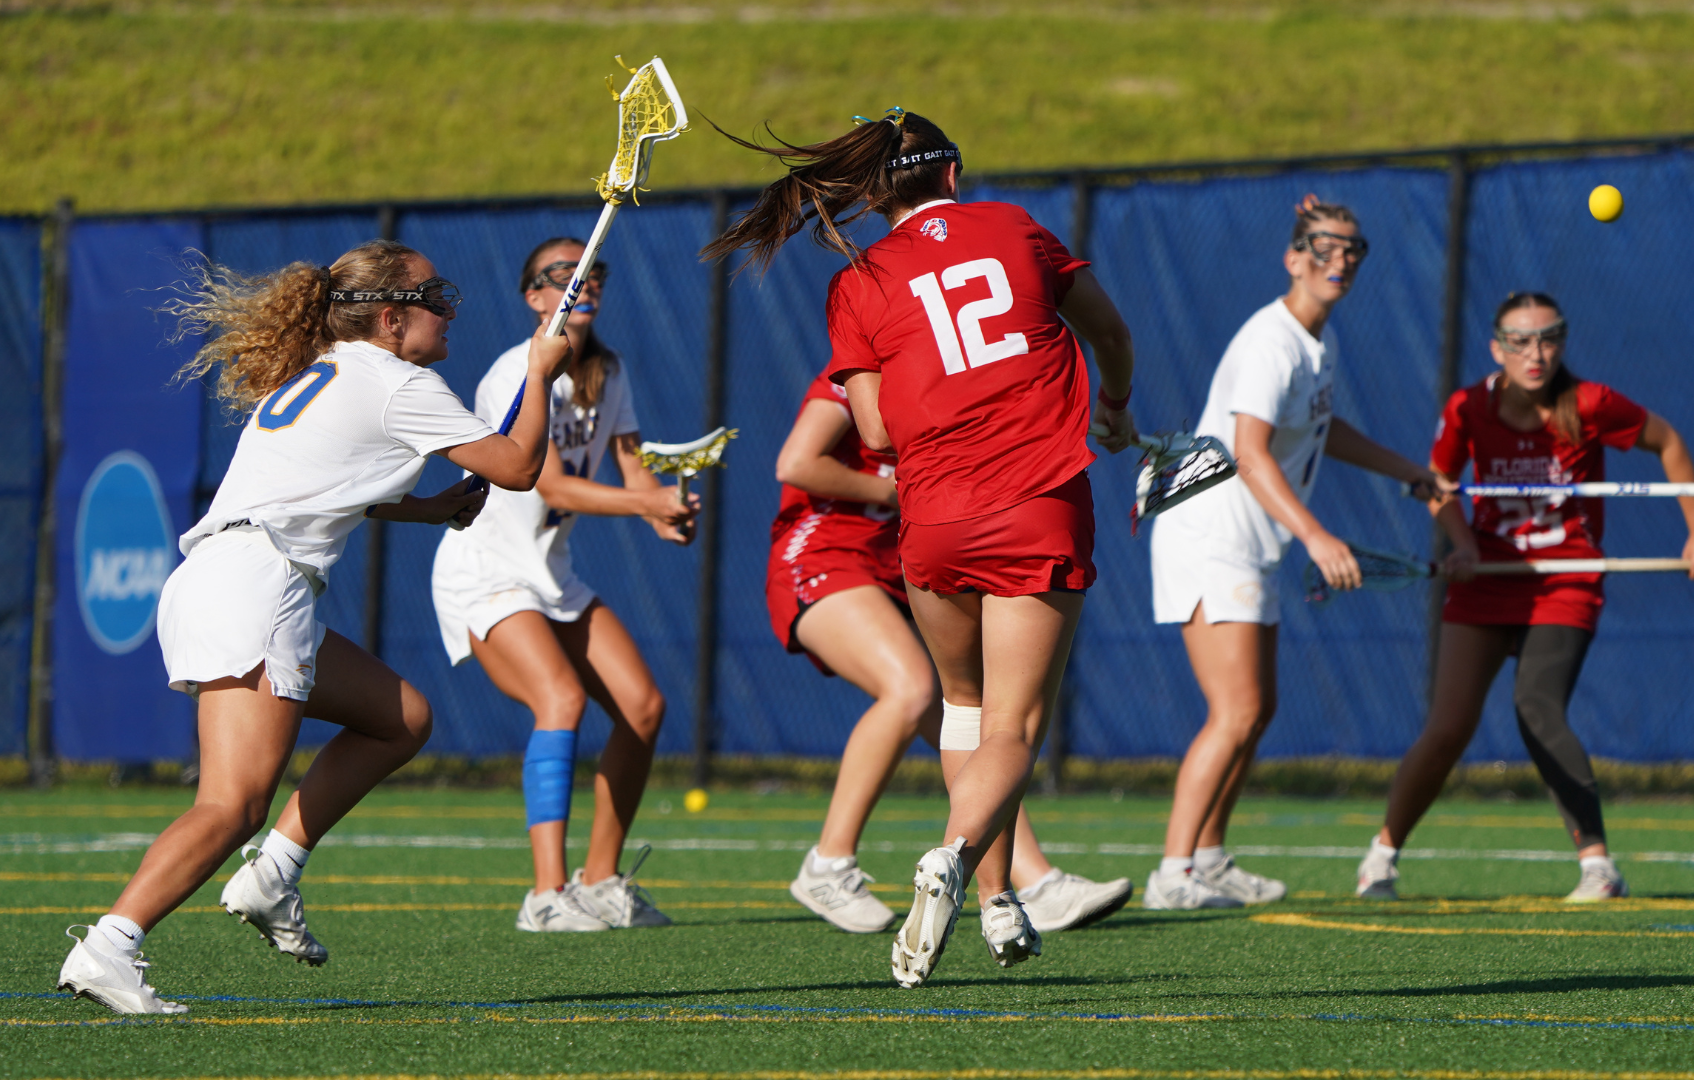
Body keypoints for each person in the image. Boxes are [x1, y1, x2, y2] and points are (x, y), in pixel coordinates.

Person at [56, 240, 564, 1015]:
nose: (449, 311)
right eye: (436, 297)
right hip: (258, 587)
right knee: (232, 805)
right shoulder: (399, 382)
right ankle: (110, 946)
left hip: (226, 578)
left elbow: (333, 483)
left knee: (402, 718)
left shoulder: (327, 367)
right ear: (390, 318)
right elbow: (519, 468)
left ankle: (274, 874)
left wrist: (428, 508)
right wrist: (541, 371)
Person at [706, 108, 1137, 987]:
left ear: (872, 194)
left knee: (964, 708)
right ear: (953, 172)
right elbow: (1111, 334)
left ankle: (1000, 899)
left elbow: (873, 430)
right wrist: (1117, 405)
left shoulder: (858, 280)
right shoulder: (1013, 227)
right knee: (1013, 725)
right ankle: (953, 858)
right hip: (1034, 501)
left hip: (933, 521)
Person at [1354, 291, 1694, 902]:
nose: (1536, 353)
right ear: (1496, 348)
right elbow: (1438, 483)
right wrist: (1462, 543)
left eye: (1549, 339)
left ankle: (1598, 867)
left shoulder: (1591, 404)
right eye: (1520, 341)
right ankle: (1382, 856)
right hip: (1489, 578)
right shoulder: (1468, 407)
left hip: (1564, 579)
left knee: (1537, 708)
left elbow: (1669, 442)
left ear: (1563, 343)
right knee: (1448, 727)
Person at [1144, 197, 1443, 911]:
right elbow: (1249, 453)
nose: (1340, 260)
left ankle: (1209, 859)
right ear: (1293, 258)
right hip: (1211, 535)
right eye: (1324, 247)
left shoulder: (1315, 343)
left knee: (1258, 709)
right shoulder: (1270, 343)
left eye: (1352, 249)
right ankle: (1172, 874)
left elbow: (1320, 428)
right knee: (1236, 710)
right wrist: (1316, 534)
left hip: (1250, 542)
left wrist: (1408, 471)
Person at [771, 367, 1132, 936]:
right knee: (912, 691)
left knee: (975, 724)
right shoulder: (861, 371)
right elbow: (796, 463)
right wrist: (899, 488)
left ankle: (1033, 879)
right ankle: (828, 863)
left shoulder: (948, 368)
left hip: (899, 563)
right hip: (823, 555)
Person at [431, 237, 698, 932]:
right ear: (534, 296)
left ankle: (600, 881)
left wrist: (664, 510)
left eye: (593, 271)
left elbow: (634, 472)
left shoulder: (609, 370)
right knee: (561, 698)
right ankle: (545, 896)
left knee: (643, 707)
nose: (584, 282)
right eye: (565, 274)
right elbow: (548, 484)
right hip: (486, 569)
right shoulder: (514, 373)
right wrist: (644, 503)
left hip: (550, 572)